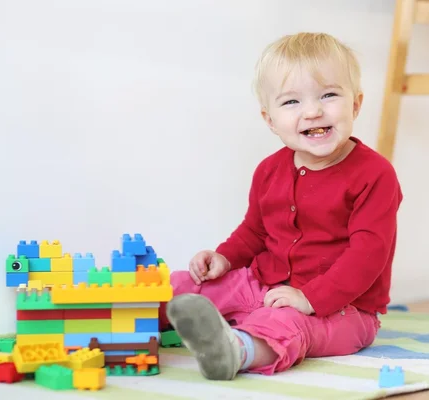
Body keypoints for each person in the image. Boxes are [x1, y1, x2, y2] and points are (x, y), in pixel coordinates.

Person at [160, 32, 403, 381]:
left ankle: (237, 349)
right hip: (264, 284)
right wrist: (225, 258)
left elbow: (368, 254)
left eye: (329, 95)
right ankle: (126, 318)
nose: (313, 110)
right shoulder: (269, 170)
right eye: (291, 102)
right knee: (189, 286)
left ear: (356, 104)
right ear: (270, 119)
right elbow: (254, 232)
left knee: (288, 325)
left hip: (342, 310)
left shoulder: (375, 174)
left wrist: (311, 298)